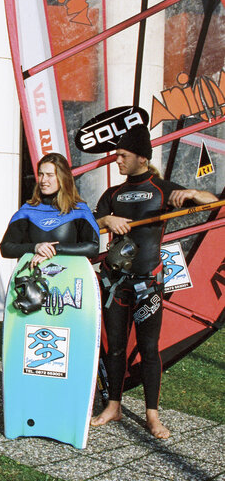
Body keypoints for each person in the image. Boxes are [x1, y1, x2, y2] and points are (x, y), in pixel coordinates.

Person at [90, 125, 216, 439]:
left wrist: (192, 194)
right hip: (115, 283)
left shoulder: (161, 189)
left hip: (149, 284)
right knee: (115, 348)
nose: (117, 160)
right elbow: (88, 225)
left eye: (123, 155)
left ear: (141, 158)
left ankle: (152, 416)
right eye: (116, 154)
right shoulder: (112, 195)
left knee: (149, 349)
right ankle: (114, 406)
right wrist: (107, 220)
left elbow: (212, 202)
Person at [0, 152, 99, 265]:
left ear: (63, 177)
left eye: (50, 175)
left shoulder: (79, 210)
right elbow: (6, 248)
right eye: (41, 174)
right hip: (32, 277)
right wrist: (36, 247)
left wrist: (55, 249)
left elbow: (93, 248)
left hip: (69, 277)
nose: (43, 180)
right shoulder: (28, 210)